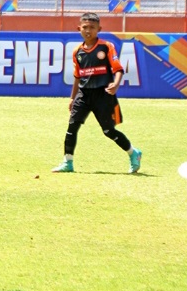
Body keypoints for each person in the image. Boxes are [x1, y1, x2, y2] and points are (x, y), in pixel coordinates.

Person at [51, 12, 142, 174]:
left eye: (92, 27)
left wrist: (116, 83)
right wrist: (72, 98)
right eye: (85, 27)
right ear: (79, 28)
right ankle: (68, 162)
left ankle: (133, 153)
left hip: (103, 95)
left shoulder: (106, 46)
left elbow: (118, 69)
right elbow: (77, 76)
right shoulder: (77, 51)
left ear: (99, 29)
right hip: (84, 95)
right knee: (72, 126)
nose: (88, 31)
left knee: (108, 131)